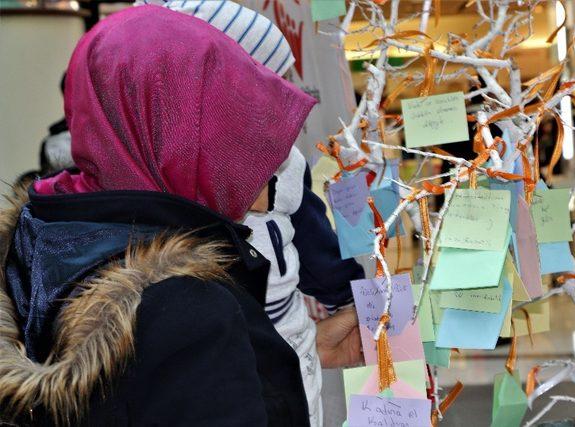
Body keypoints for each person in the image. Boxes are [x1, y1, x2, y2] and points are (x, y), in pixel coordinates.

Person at [0, 5, 361, 426]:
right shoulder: (191, 313)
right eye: (234, 120)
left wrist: (292, 350)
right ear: (178, 134)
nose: (269, 151)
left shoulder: (36, 249)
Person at [130, 2, 364, 425]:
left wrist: (351, 296)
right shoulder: (267, 160)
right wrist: (349, 293)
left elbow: (311, 239)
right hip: (246, 348)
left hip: (273, 340)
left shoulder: (273, 161)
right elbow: (315, 244)